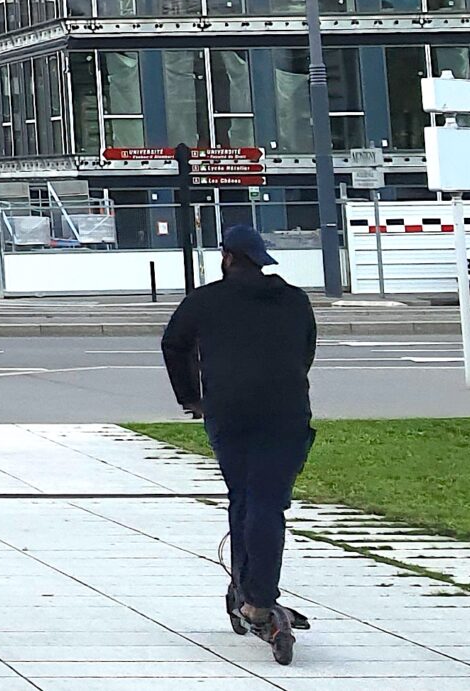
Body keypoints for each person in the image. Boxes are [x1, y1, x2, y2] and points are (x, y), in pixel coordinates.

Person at [160, 223, 317, 665]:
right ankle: (254, 594)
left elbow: (174, 344)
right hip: (285, 413)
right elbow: (307, 351)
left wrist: (192, 397)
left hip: (229, 413)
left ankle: (254, 597)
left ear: (227, 257)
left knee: (243, 498)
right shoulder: (294, 300)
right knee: (267, 503)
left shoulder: (206, 300)